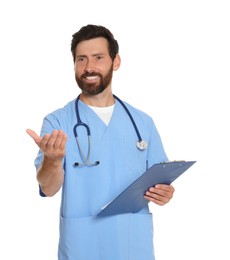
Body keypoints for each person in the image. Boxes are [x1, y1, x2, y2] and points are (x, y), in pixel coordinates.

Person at [26, 24, 175, 260]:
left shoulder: (142, 122)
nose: (89, 67)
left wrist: (165, 194)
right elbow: (48, 188)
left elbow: (160, 182)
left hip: (133, 245)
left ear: (116, 62)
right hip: (82, 246)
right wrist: (53, 161)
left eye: (98, 58)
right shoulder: (57, 122)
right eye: (81, 59)